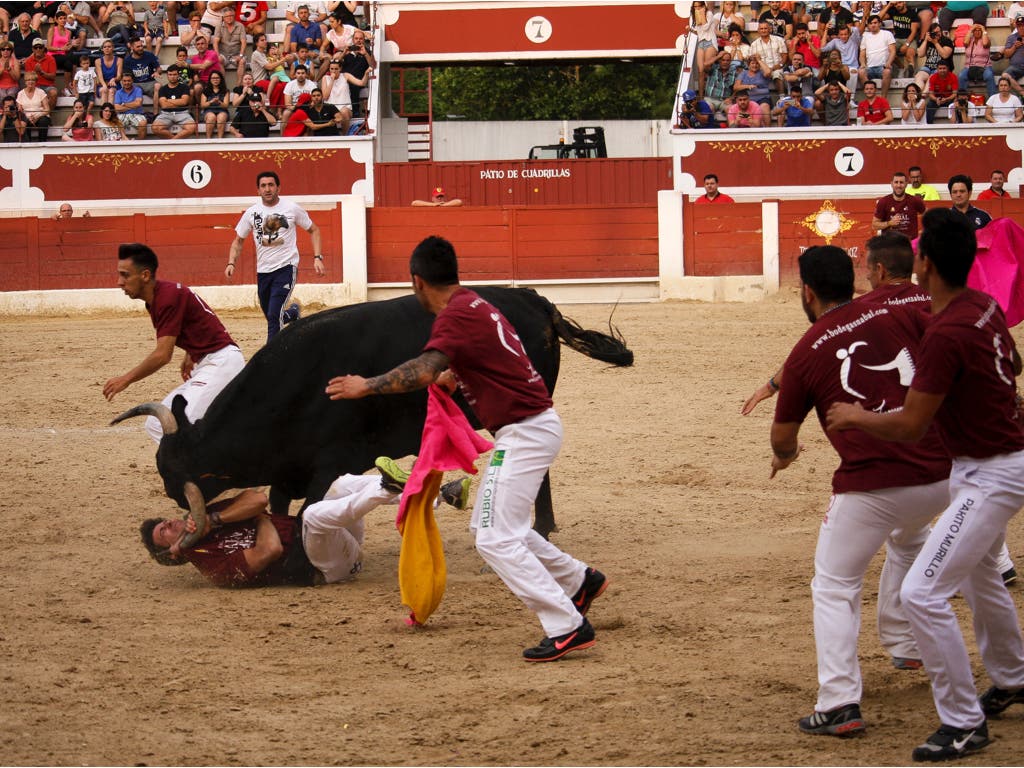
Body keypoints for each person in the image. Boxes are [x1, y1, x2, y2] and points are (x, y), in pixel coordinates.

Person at [325, 235, 607, 662]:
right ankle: (579, 581)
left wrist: (367, 385)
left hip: (525, 433)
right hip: (529, 429)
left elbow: (422, 370)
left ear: (417, 281)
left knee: (494, 539)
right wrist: (457, 373)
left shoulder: (454, 317)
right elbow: (487, 356)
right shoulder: (475, 303)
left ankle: (567, 625)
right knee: (490, 527)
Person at [825, 209, 1024, 762]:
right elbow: (1015, 363)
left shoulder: (946, 333)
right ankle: (1013, 678)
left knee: (923, 593)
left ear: (925, 264)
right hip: (989, 463)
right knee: (982, 578)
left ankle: (963, 722)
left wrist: (856, 416)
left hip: (989, 473)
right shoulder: (982, 306)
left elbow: (912, 426)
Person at [771, 242, 950, 739]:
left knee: (834, 585)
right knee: (910, 538)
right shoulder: (897, 312)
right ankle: (907, 643)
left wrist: (785, 456)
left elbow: (783, 438)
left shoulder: (806, 349)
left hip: (874, 488)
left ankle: (838, 702)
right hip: (942, 477)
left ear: (807, 292)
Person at [140, 458, 472, 587]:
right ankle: (387, 487)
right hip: (325, 567)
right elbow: (269, 549)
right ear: (174, 552)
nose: (170, 523)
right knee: (312, 515)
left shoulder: (211, 519)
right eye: (163, 532)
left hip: (333, 542)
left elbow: (258, 499)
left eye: (165, 521)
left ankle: (439, 496)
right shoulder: (213, 567)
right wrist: (258, 520)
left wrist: (215, 518)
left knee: (336, 485)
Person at [103, 243, 246, 443]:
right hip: (208, 363)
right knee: (156, 424)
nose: (119, 282)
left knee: (184, 424)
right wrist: (191, 352)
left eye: (125, 275)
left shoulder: (167, 297)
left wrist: (125, 379)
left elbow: (163, 355)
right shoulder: (161, 297)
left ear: (145, 275)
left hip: (221, 363)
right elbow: (197, 320)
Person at [228, 171, 325, 342]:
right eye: (263, 186)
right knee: (272, 315)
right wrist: (231, 263)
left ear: (278, 188)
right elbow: (238, 241)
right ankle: (293, 314)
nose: (267, 189)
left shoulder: (291, 208)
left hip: (286, 268)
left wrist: (318, 257)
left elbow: (314, 230)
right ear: (258, 190)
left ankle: (272, 354)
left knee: (274, 316)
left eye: (271, 185)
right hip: (263, 271)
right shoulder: (252, 212)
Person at [873, 171, 926, 238]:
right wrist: (889, 223)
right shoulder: (883, 202)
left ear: (906, 184)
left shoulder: (914, 200)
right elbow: (874, 225)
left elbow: (928, 215)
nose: (898, 185)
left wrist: (926, 231)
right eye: (896, 182)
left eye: (901, 182)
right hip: (890, 242)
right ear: (891, 184)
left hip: (909, 242)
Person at [150, 65, 197, 140]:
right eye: (170, 74)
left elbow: (184, 102)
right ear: (167, 75)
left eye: (175, 74)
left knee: (192, 127)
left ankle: (172, 142)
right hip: (166, 113)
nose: (172, 77)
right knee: (155, 128)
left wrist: (168, 100)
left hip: (182, 113)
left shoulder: (184, 87)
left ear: (178, 75)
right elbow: (164, 105)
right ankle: (175, 142)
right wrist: (178, 102)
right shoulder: (163, 89)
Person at [858, 14, 895, 98]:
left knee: (887, 72)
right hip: (869, 67)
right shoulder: (865, 36)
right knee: (861, 72)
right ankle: (871, 98)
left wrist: (889, 62)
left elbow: (893, 51)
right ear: (868, 25)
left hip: (883, 67)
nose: (873, 25)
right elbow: (862, 54)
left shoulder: (887, 34)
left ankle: (883, 99)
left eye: (875, 23)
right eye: (870, 23)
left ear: (880, 23)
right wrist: (863, 64)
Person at [213, 6, 246, 84]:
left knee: (242, 61)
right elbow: (215, 42)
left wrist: (240, 55)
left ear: (234, 16)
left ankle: (239, 85)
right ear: (223, 18)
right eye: (227, 16)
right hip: (224, 54)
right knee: (219, 60)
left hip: (236, 54)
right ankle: (222, 85)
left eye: (231, 15)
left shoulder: (240, 26)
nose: (229, 18)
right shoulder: (219, 26)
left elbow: (244, 42)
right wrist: (217, 55)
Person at [16, 71, 51, 142]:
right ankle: (27, 143)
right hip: (26, 117)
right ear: (25, 82)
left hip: (40, 115)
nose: (30, 82)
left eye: (33, 80)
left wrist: (37, 116)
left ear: (36, 82)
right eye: (28, 80)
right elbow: (20, 110)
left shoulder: (41, 92)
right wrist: (28, 117)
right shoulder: (20, 94)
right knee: (24, 122)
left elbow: (47, 109)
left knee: (44, 121)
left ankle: (42, 142)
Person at [113, 72, 148, 139]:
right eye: (124, 81)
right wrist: (133, 105)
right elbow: (117, 108)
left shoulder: (138, 90)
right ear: (121, 81)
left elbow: (138, 104)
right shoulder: (118, 92)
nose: (127, 83)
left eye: (129, 81)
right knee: (115, 123)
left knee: (143, 123)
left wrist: (124, 104)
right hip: (122, 115)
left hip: (137, 114)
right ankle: (125, 141)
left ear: (132, 81)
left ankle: (140, 144)